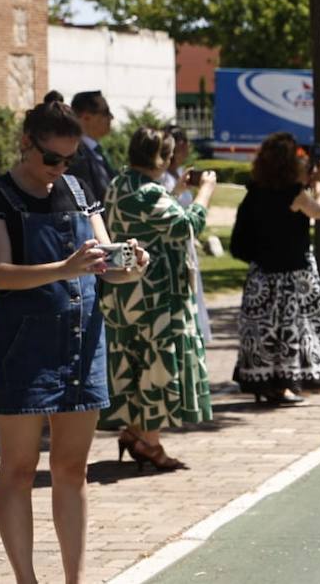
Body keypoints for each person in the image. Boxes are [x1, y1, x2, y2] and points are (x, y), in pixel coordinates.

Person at [0, 98, 147, 584]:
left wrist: (130, 265)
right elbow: (0, 274)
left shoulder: (77, 187)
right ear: (27, 143)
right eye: (52, 158)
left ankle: (75, 580)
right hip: (23, 346)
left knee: (72, 469)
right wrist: (66, 268)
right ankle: (27, 580)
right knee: (19, 469)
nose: (60, 169)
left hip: (82, 342)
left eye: (68, 159)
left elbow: (107, 272)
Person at [99, 126, 218, 471]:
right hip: (155, 295)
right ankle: (150, 443)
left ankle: (135, 433)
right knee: (157, 366)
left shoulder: (121, 183)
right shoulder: (150, 193)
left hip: (125, 292)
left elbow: (152, 218)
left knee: (136, 364)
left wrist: (176, 189)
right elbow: (186, 224)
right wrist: (205, 191)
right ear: (160, 158)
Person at [229, 132, 320, 405]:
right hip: (292, 276)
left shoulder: (254, 193)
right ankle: (286, 384)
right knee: (291, 330)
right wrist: (318, 184)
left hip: (261, 275)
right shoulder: (294, 195)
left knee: (262, 331)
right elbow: (319, 211)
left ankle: (264, 384)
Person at [162, 124, 212, 341]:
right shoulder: (163, 177)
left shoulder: (181, 173)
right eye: (184, 142)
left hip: (187, 243)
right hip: (172, 243)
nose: (188, 147)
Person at [65, 90, 116, 203]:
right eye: (105, 112)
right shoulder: (74, 154)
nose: (111, 117)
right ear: (86, 117)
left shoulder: (96, 151)